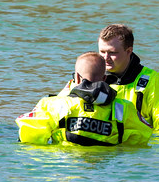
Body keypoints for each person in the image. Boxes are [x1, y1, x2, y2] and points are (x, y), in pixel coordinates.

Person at [17, 52, 152, 146]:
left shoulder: (54, 104)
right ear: (105, 79)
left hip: (68, 168)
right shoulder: (124, 107)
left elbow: (29, 136)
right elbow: (141, 138)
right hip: (108, 169)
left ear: (76, 77)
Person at [95, 23, 159, 132]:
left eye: (112, 53)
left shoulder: (152, 81)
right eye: (102, 52)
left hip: (138, 144)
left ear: (129, 51)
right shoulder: (89, 76)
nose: (106, 58)